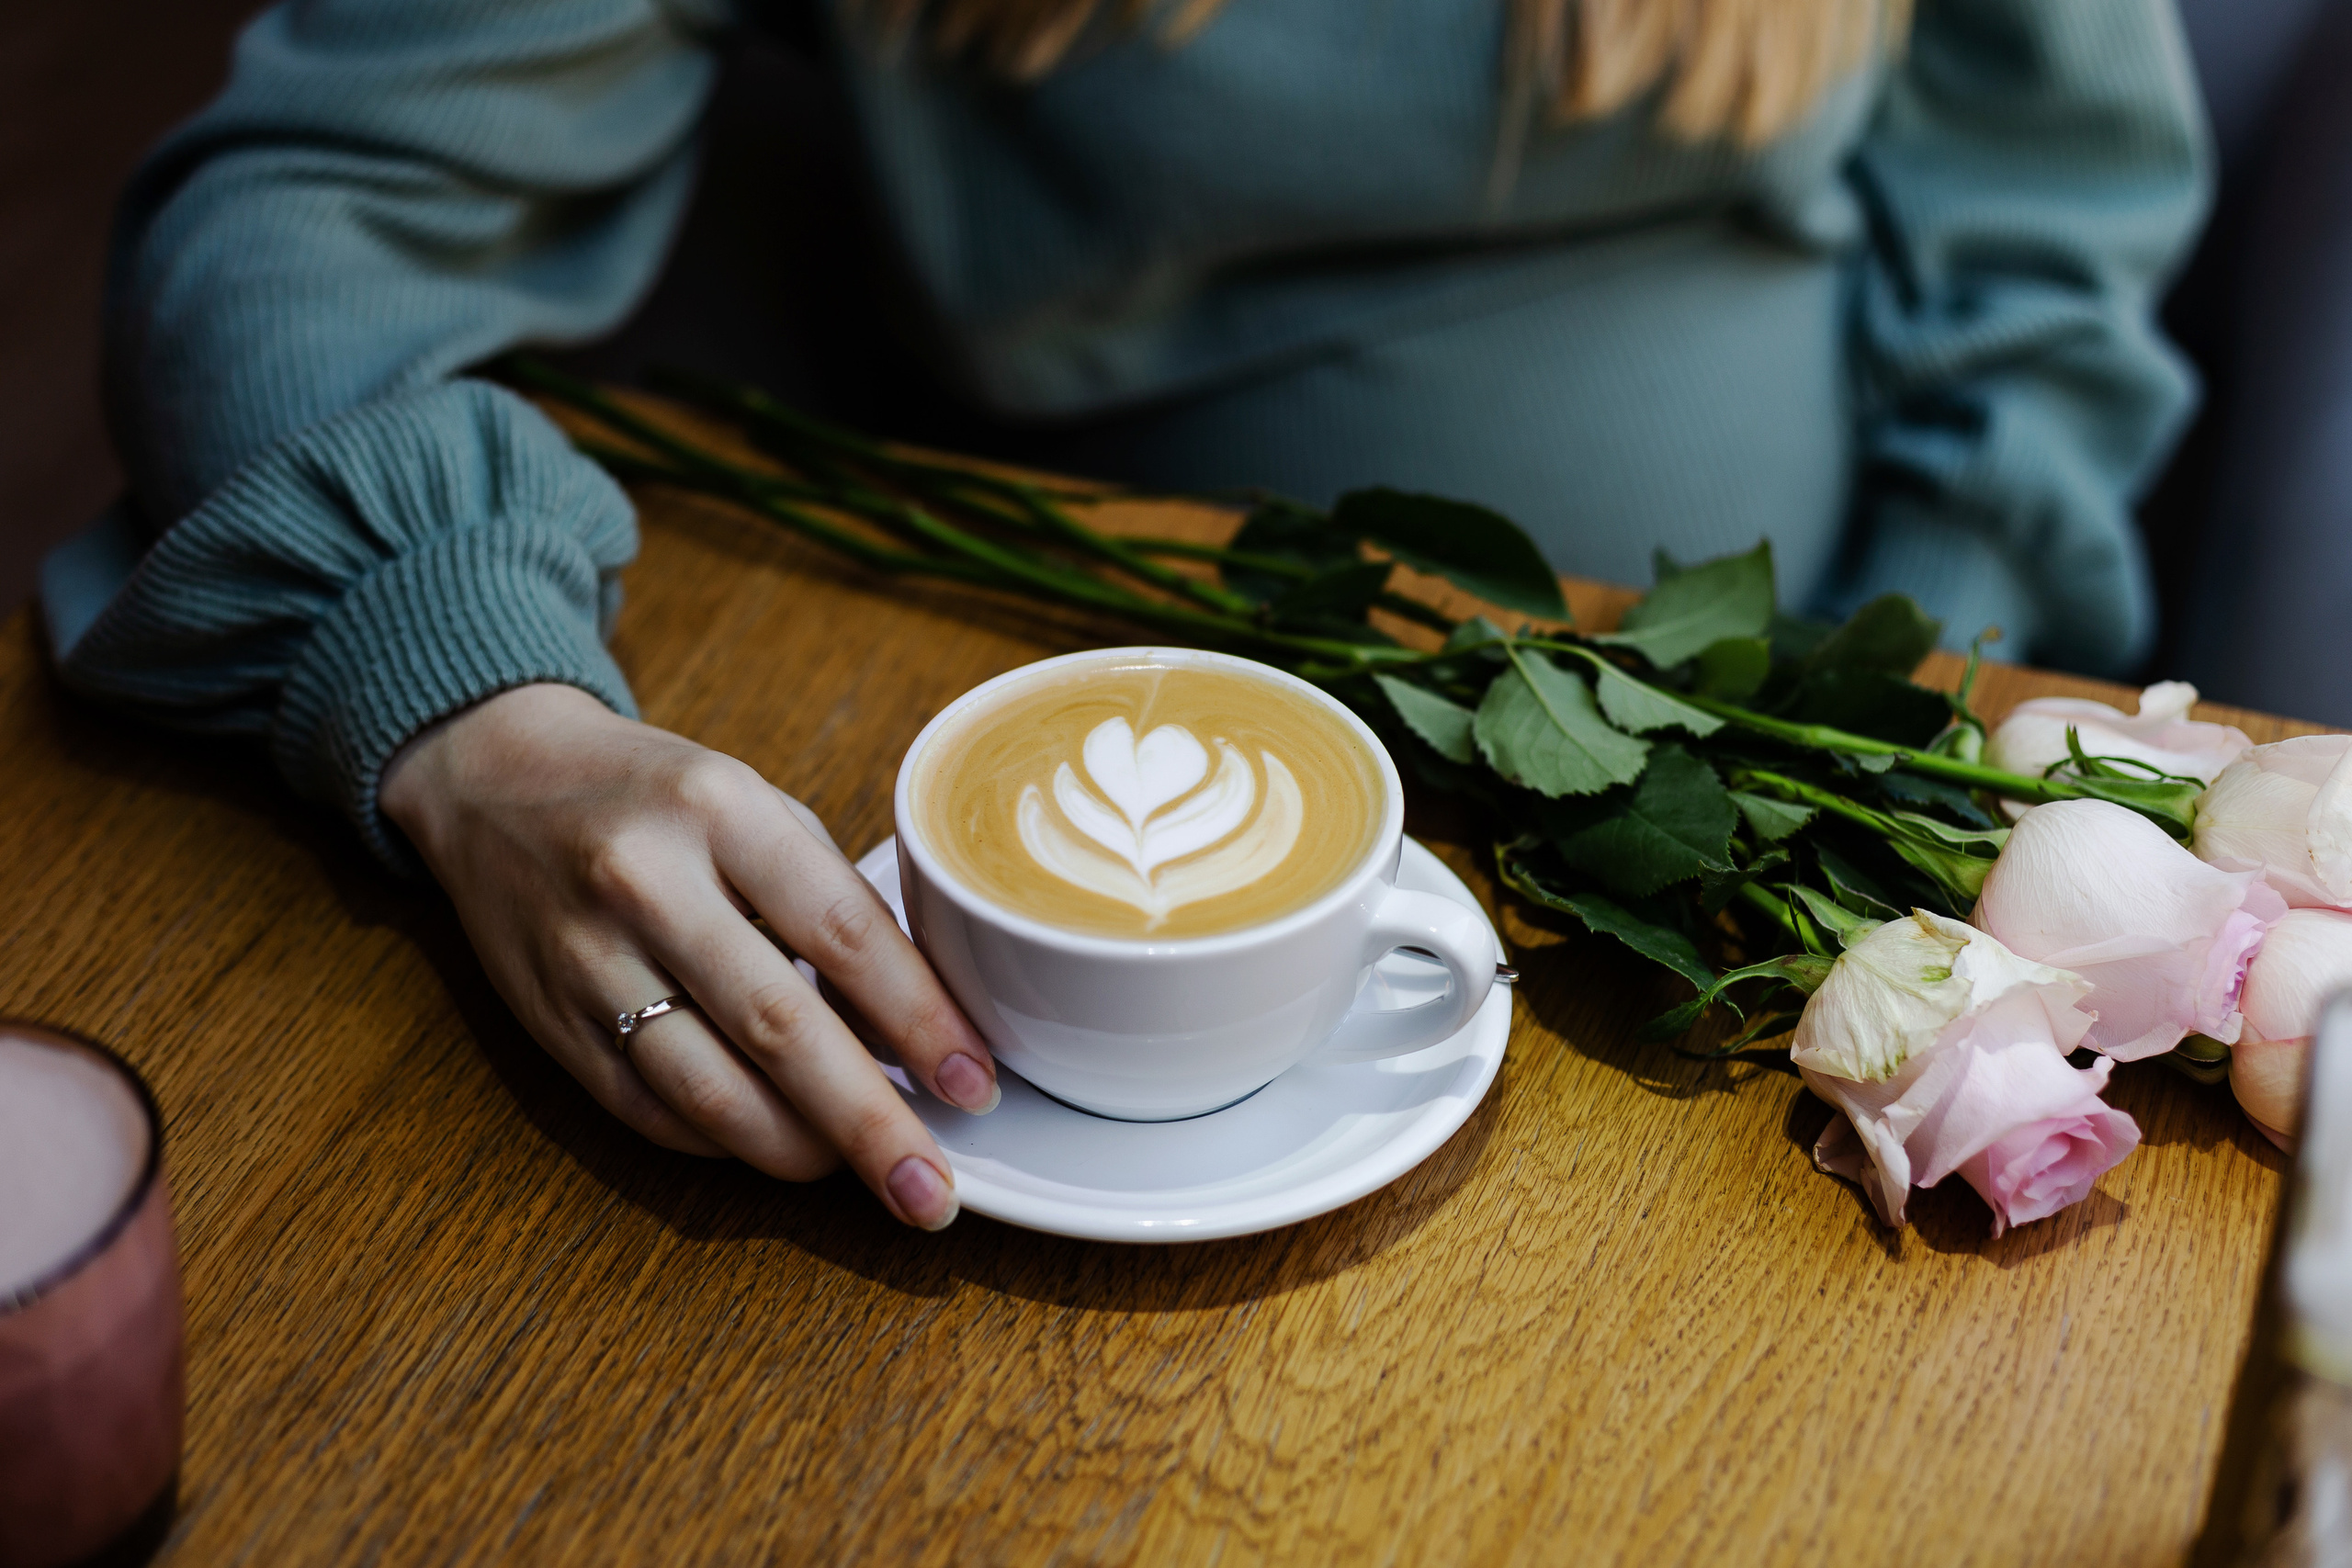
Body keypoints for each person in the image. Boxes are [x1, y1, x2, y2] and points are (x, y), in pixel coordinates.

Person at [40, 0, 2208, 1230]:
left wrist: (1940, 801)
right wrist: (472, 708)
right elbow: (304, 210)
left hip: (1765, 888)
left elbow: (2039, 268)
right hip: (1062, 778)